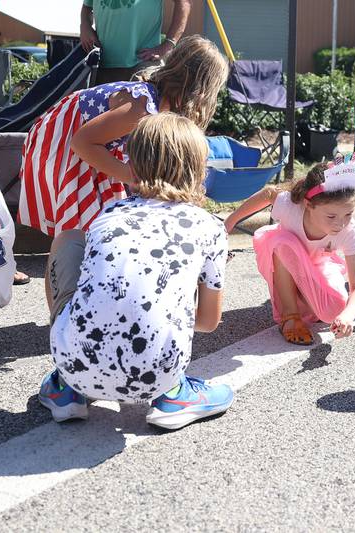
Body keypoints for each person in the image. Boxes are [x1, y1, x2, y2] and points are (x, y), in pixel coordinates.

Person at [39, 112, 234, 430]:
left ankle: (65, 387)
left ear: (133, 165)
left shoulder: (110, 212)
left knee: (69, 239)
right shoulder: (210, 228)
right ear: (200, 169)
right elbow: (208, 323)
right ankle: (174, 396)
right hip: (156, 375)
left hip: (76, 365)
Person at [18, 35, 228, 237]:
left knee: (111, 217)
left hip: (93, 145)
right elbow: (81, 142)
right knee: (86, 227)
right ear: (199, 90)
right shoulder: (142, 107)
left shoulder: (159, 107)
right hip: (65, 142)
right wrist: (131, 177)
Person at [223, 152, 355, 346]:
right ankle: (290, 316)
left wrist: (346, 316)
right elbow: (269, 193)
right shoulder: (290, 206)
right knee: (284, 242)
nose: (340, 223)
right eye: (331, 217)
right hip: (283, 257)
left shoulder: (350, 229)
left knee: (334, 311)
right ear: (308, 205)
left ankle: (302, 299)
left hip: (317, 265)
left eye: (348, 214)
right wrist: (229, 222)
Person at [80, 0, 192, 84]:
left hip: (143, 64)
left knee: (145, 113)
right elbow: (86, 7)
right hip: (103, 64)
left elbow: (184, 3)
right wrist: (85, 26)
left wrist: (168, 44)